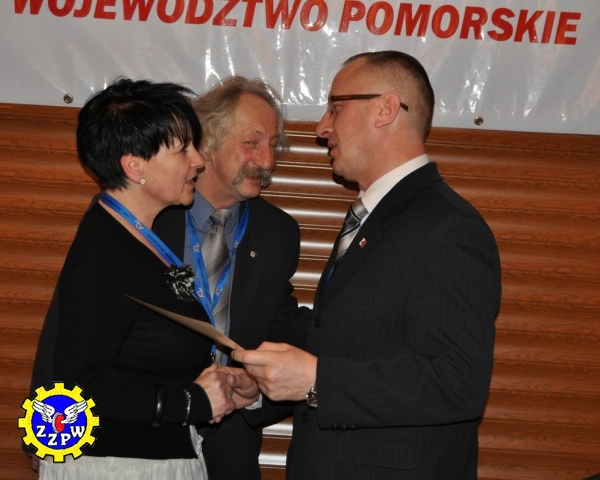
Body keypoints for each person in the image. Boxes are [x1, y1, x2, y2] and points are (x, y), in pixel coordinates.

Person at [233, 50, 502, 479]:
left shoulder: (448, 227)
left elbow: (458, 382)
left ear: (385, 109)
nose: (322, 127)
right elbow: (349, 345)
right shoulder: (373, 217)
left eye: (335, 108)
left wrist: (317, 379)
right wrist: (269, 384)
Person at [34, 77, 259, 479]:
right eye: (183, 149)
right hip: (118, 467)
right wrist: (191, 402)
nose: (198, 160)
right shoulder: (107, 250)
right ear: (134, 166)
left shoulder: (136, 239)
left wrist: (218, 384)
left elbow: (142, 357)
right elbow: (81, 383)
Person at [153, 76, 309, 479]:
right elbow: (79, 324)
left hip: (229, 451)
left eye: (272, 145)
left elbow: (276, 331)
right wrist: (48, 435)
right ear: (206, 142)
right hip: (143, 437)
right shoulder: (148, 217)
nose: (267, 162)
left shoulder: (277, 233)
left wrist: (255, 392)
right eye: (252, 143)